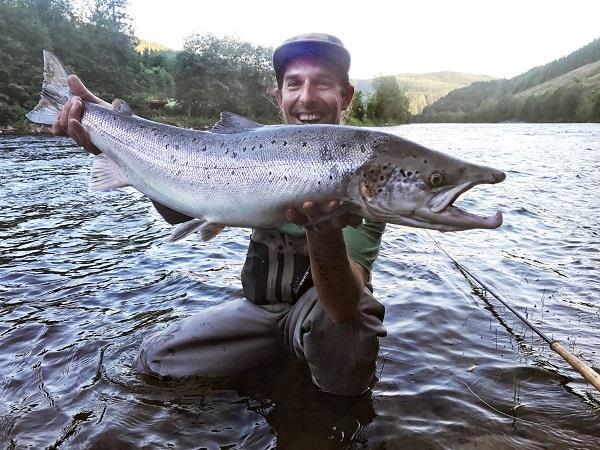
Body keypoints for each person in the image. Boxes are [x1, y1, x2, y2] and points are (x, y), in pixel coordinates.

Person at [52, 33, 387, 396]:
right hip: (260, 313)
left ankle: (334, 414)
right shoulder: (256, 148)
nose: (306, 97)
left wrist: (323, 229)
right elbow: (179, 214)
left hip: (325, 318)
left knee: (350, 324)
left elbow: (342, 306)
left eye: (322, 83)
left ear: (346, 96)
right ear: (278, 97)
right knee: (156, 360)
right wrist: (107, 127)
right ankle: (281, 373)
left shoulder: (364, 170)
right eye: (294, 84)